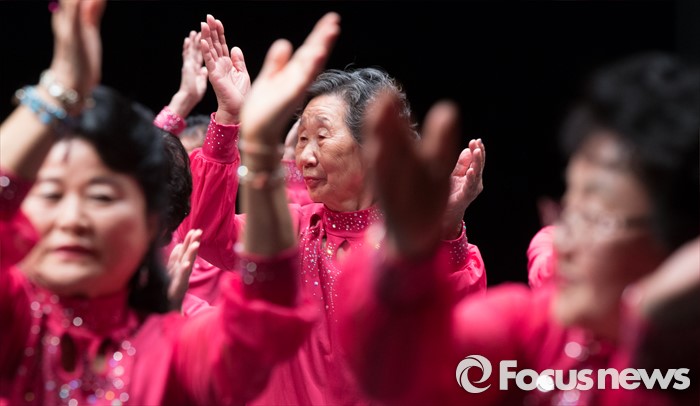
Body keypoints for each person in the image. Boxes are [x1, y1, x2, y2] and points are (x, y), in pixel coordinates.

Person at [0, 1, 337, 403]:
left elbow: (261, 324)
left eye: (101, 197)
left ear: (155, 224)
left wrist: (261, 151)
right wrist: (59, 87)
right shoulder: (15, 321)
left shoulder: (176, 350)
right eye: (51, 193)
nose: (72, 218)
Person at [338, 52, 700, 405]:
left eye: (595, 217)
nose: (563, 242)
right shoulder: (536, 328)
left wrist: (647, 335)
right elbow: (401, 375)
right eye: (570, 211)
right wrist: (403, 257)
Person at [176, 14, 487, 404]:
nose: (304, 156)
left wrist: (447, 228)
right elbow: (208, 235)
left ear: (373, 144)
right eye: (302, 139)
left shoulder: (406, 240)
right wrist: (228, 118)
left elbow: (457, 336)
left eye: (321, 137)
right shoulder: (291, 229)